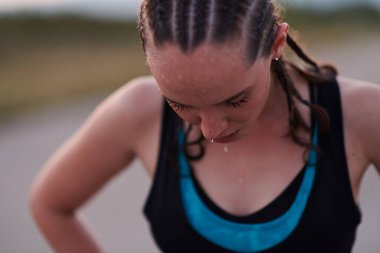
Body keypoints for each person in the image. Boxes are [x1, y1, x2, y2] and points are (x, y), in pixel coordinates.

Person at [29, 0, 380, 252]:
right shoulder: (138, 110)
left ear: (277, 44)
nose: (211, 130)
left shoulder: (361, 113)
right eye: (179, 103)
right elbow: (51, 205)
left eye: (235, 100)